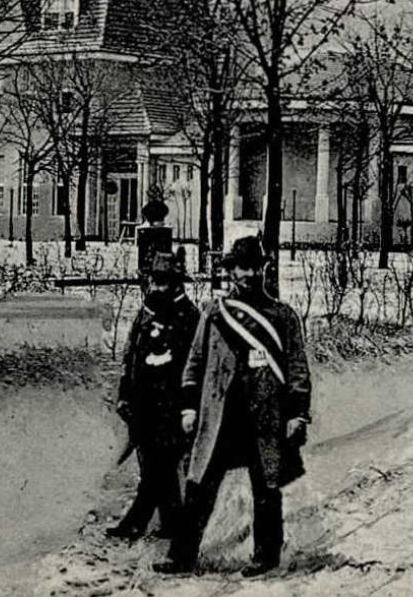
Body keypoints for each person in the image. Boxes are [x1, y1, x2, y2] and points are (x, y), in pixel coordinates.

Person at [155, 237, 310, 577]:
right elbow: (194, 361)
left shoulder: (283, 317)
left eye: (255, 266)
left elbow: (298, 368)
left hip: (264, 417)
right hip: (220, 416)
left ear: (264, 268)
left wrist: (297, 413)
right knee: (199, 487)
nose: (249, 274)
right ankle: (180, 556)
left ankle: (266, 555)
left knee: (266, 488)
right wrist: (188, 407)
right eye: (242, 267)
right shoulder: (214, 313)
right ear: (230, 271)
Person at [107, 249, 200, 542]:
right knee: (154, 466)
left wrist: (188, 404)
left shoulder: (190, 316)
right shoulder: (145, 312)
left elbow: (195, 364)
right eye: (153, 281)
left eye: (163, 282)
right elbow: (130, 355)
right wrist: (125, 393)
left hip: (172, 405)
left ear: (177, 283)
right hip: (143, 403)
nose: (156, 287)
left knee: (159, 468)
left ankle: (135, 523)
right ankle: (171, 522)